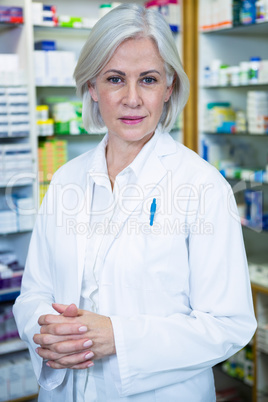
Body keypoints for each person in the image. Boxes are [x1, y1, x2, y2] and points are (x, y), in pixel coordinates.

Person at [13, 4, 257, 402]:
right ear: (92, 86)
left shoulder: (202, 185)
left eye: (148, 79)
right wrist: (45, 331)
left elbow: (229, 324)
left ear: (169, 87)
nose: (131, 99)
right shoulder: (65, 180)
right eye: (114, 79)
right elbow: (34, 291)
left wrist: (118, 338)